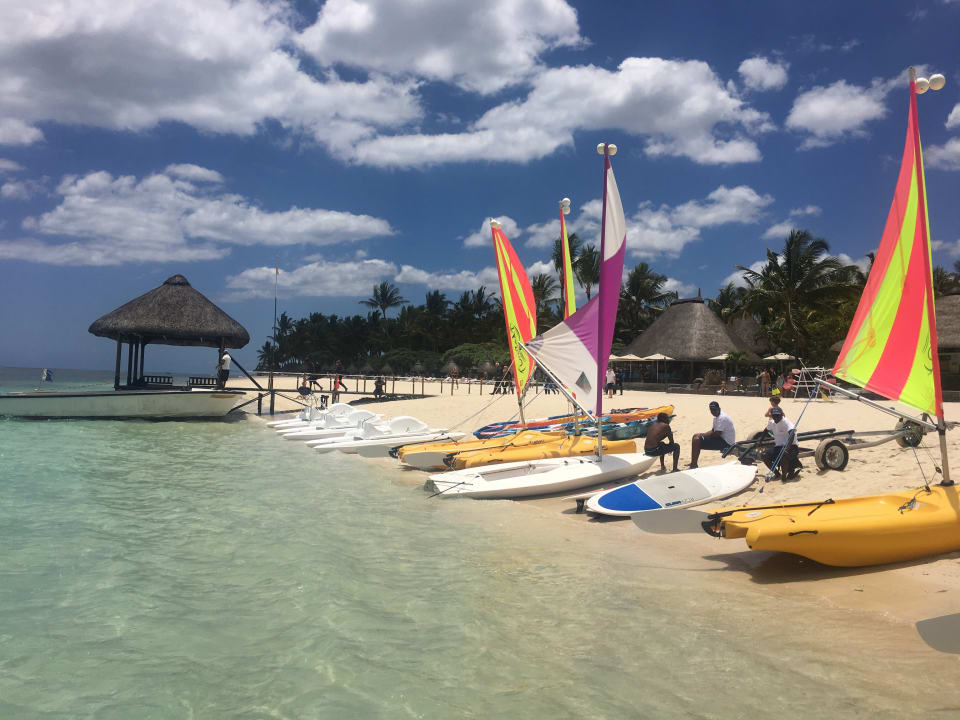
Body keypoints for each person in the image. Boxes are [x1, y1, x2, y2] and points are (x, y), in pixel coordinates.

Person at [689, 401, 736, 468]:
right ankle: (693, 462)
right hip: (721, 438)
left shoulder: (722, 417)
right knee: (696, 436)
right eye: (711, 410)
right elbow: (713, 431)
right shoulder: (717, 416)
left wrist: (702, 436)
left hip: (726, 442)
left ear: (719, 408)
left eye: (714, 410)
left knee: (696, 440)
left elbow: (717, 434)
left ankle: (693, 464)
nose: (713, 411)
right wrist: (702, 434)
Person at [763, 406, 800, 480]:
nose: (776, 417)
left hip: (791, 446)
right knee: (764, 455)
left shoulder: (786, 422)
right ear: (771, 415)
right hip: (778, 446)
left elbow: (792, 435)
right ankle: (777, 474)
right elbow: (766, 430)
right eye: (774, 415)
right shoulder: (771, 422)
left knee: (783, 455)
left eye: (778, 415)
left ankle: (784, 476)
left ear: (781, 415)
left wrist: (786, 449)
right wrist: (760, 441)